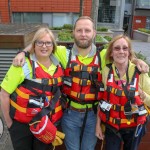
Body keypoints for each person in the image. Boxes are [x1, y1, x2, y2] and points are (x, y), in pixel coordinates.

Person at [12, 16, 149, 150]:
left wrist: (137, 61)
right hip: (70, 114)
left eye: (87, 30)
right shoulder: (63, 53)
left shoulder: (102, 55)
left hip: (93, 115)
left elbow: (123, 51)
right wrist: (23, 53)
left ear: (94, 33)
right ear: (73, 33)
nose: (83, 34)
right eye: (79, 30)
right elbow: (41, 41)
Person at [0, 27, 65, 150]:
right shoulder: (21, 64)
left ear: (53, 46)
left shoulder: (59, 64)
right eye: (39, 42)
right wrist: (9, 123)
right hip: (22, 126)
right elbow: (4, 94)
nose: (44, 46)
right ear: (33, 45)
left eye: (48, 43)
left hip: (47, 125)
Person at [95, 34, 150, 150]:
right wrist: (98, 126)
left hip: (134, 126)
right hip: (112, 126)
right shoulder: (106, 71)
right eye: (117, 48)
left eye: (125, 48)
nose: (121, 51)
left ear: (129, 52)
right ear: (111, 52)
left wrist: (143, 95)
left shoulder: (140, 72)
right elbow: (102, 100)